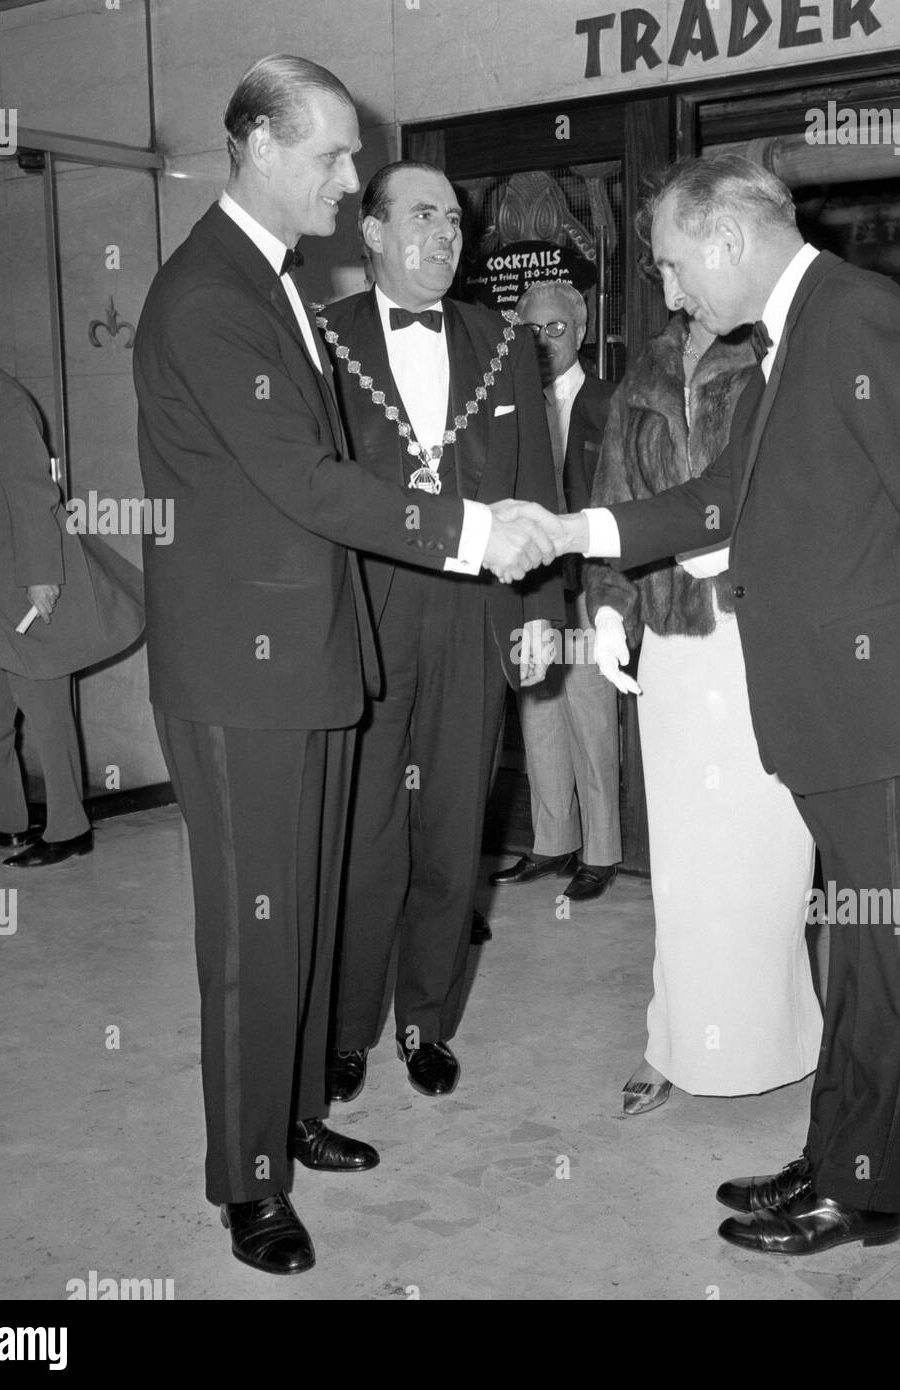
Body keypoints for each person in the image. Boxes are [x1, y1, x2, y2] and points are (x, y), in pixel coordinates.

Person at [548, 154, 900, 1255]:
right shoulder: (786, 344)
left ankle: (865, 1194)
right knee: (855, 957)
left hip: (890, 703)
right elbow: (717, 499)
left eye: (668, 264)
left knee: (891, 964)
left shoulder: (859, 322)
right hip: (828, 704)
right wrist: (583, 531)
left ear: (723, 239)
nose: (667, 292)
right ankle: (832, 1151)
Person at [134, 59, 556, 1276]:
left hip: (311, 657)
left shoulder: (271, 283)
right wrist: (476, 533)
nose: (345, 178)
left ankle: (298, 1115)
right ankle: (247, 1181)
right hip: (242, 678)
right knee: (254, 938)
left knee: (311, 914)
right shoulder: (212, 294)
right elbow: (309, 481)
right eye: (328, 157)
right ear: (259, 147)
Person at [319, 162, 563, 1109]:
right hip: (366, 616)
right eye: (420, 214)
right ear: (370, 233)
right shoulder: (323, 339)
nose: (444, 233)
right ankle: (344, 1031)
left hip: (473, 618)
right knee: (362, 834)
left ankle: (425, 1022)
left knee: (452, 830)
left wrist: (542, 612)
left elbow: (538, 486)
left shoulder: (502, 340)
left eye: (454, 219)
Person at [584, 298, 822, 1116]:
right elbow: (613, 503)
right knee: (684, 864)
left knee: (769, 858)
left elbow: (823, 489)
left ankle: (785, 1035)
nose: (676, 279)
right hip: (675, 644)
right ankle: (671, 1040)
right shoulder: (640, 381)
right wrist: (609, 607)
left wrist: (751, 542)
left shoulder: (779, 356)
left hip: (761, 631)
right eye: (665, 262)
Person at [0, 288, 142, 867]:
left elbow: (31, 487)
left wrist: (42, 578)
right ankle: (0, 818)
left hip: (19, 584)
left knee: (43, 706)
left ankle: (69, 828)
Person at [490, 279, 621, 904]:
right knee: (538, 710)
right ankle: (551, 839)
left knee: (591, 719)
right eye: (532, 331)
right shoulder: (509, 405)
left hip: (590, 585)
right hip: (530, 583)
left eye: (558, 329)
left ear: (583, 328)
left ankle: (600, 851)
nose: (545, 343)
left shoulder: (612, 402)